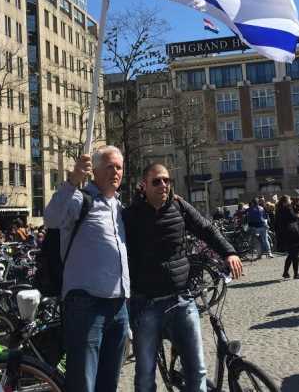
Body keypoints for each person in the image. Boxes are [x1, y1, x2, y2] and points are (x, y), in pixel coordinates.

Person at [123, 162, 243, 392]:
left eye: (167, 180)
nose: (163, 185)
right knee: (145, 377)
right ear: (144, 185)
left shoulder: (179, 206)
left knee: (196, 371)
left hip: (181, 300)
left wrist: (229, 252)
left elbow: (207, 229)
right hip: (146, 305)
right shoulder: (130, 216)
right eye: (156, 181)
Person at [43, 146, 129, 392]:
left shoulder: (118, 207)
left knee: (108, 382)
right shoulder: (80, 199)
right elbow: (51, 217)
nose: (116, 172)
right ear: (95, 171)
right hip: (86, 304)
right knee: (83, 383)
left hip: (119, 305)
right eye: (110, 166)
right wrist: (72, 181)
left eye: (119, 167)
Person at [276, 195, 299, 279]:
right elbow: (293, 218)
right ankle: (296, 273)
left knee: (291, 254)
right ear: (285, 202)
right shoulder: (287, 209)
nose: (290, 201)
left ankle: (286, 272)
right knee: (295, 254)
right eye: (289, 200)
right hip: (291, 233)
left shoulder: (279, 210)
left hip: (285, 234)